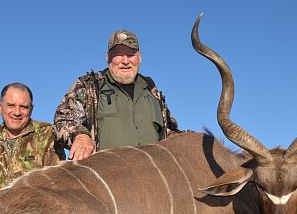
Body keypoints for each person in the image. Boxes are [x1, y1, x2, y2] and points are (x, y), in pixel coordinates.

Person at [54, 29, 178, 160]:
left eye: (131, 54)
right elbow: (62, 119)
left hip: (152, 175)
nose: (125, 61)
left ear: (139, 57)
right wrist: (80, 136)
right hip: (105, 176)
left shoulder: (153, 92)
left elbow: (171, 133)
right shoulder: (88, 85)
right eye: (118, 54)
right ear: (108, 57)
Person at [0, 82, 65, 187]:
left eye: (23, 107)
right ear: (1, 107)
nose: (17, 112)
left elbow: (56, 183)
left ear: (31, 109)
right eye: (11, 105)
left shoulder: (47, 135)